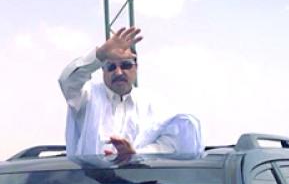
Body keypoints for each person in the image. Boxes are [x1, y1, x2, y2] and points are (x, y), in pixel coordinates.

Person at [58, 27, 202, 157]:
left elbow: (174, 142)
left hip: (139, 183)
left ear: (136, 67)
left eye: (126, 65)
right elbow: (67, 80)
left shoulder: (153, 104)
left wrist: (136, 154)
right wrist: (100, 54)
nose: (119, 72)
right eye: (111, 67)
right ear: (102, 70)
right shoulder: (87, 97)